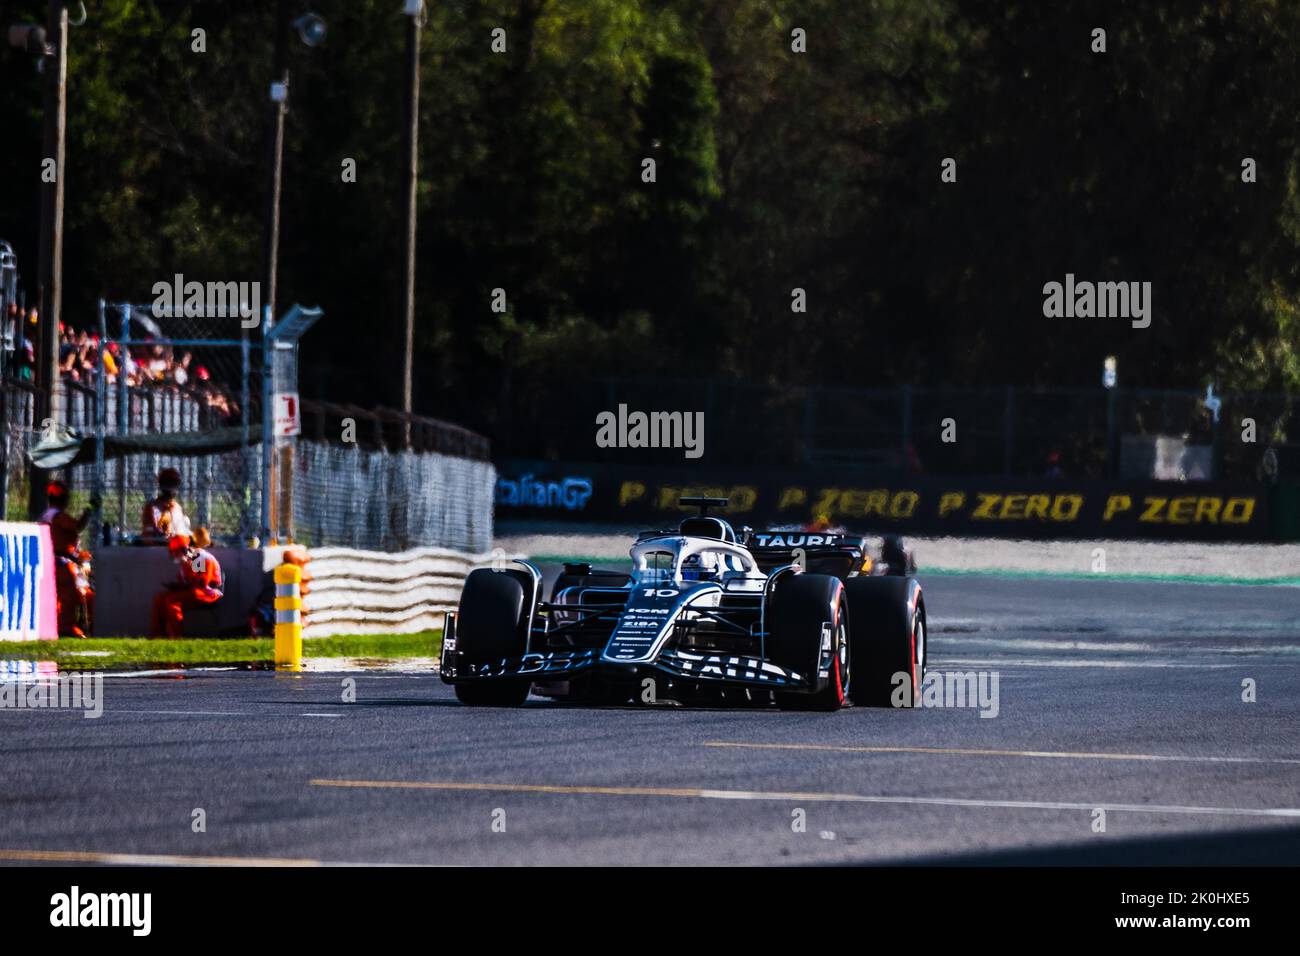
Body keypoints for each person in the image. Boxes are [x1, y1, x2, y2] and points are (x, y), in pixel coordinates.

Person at [38, 480, 98, 637]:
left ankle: (77, 627)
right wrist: (89, 509)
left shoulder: (46, 515)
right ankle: (65, 628)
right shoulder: (57, 516)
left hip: (61, 562)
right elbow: (77, 526)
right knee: (69, 597)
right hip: (62, 564)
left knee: (77, 595)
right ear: (62, 499)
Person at [149, 534, 223, 638]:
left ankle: (176, 636)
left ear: (184, 549)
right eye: (172, 552)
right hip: (194, 591)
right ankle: (158, 635)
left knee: (172, 600)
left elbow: (201, 583)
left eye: (176, 551)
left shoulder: (197, 556)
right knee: (159, 598)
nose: (174, 555)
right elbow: (184, 582)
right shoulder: (185, 562)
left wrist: (182, 584)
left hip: (209, 592)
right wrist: (176, 586)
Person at [141, 467, 191, 542]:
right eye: (168, 484)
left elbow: (181, 532)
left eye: (173, 484)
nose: (171, 488)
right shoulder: (152, 507)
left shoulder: (177, 507)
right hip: (157, 547)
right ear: (161, 485)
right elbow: (148, 537)